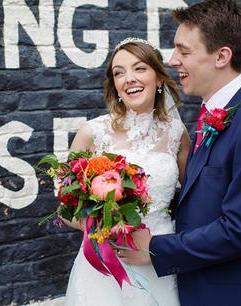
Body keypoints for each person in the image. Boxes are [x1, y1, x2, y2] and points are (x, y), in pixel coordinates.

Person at [122, 1, 241, 306]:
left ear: (221, 56)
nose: (173, 60)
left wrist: (155, 248)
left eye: (184, 51)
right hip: (200, 287)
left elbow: (239, 230)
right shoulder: (211, 113)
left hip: (238, 295)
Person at [62, 37, 191, 306]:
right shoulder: (92, 133)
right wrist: (101, 226)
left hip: (159, 258)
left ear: (158, 79)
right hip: (106, 264)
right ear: (115, 86)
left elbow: (194, 198)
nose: (128, 78)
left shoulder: (177, 134)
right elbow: (65, 207)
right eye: (119, 73)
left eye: (139, 68)